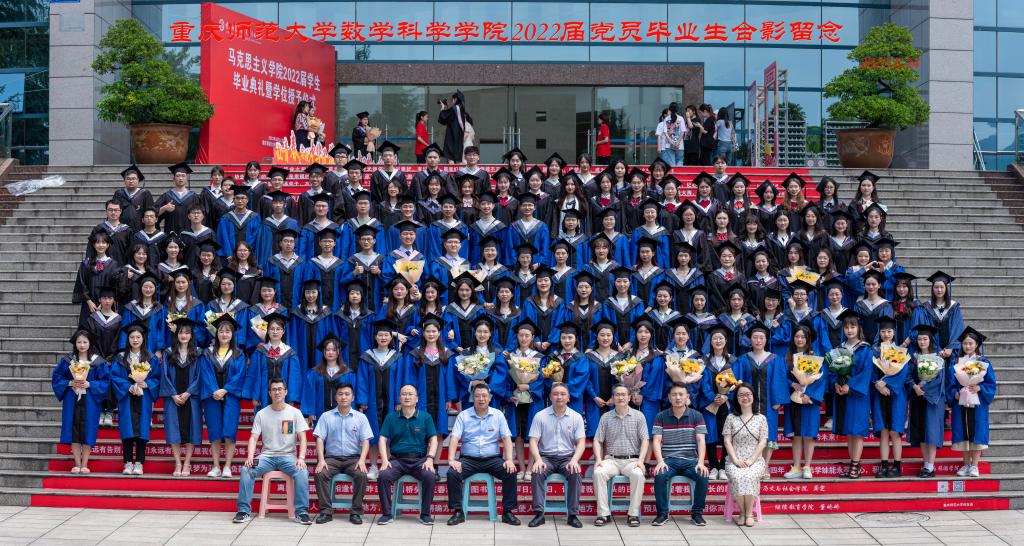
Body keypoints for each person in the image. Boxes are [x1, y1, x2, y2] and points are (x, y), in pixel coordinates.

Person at [232, 379, 312, 524]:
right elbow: (253, 438)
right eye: (274, 389)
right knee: (246, 469)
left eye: (280, 389)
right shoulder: (262, 414)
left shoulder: (295, 413)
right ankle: (243, 511)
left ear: (286, 392)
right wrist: (250, 456)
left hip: (288, 456)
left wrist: (301, 458)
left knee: (302, 471)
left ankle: (302, 512)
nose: (277, 392)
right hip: (267, 457)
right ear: (269, 393)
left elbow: (303, 437)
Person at [445, 383, 521, 526]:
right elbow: (454, 438)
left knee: (510, 472)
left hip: (492, 459)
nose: (481, 399)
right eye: (477, 396)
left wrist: (509, 459)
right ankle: (458, 512)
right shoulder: (463, 415)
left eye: (484, 396)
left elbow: (506, 438)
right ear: (472, 398)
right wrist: (451, 459)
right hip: (469, 459)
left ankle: (507, 512)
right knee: (452, 473)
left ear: (490, 398)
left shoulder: (498, 415)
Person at [377, 383, 438, 526]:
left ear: (417, 398)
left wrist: (430, 459)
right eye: (404, 394)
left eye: (410, 394)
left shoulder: (425, 417)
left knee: (430, 476)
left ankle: (425, 514)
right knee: (383, 475)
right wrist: (385, 460)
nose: (407, 397)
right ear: (399, 398)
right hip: (397, 460)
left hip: (419, 460)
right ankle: (387, 514)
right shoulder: (391, 417)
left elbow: (434, 439)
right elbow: (382, 439)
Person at [313, 382, 372, 524]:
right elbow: (320, 439)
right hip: (331, 458)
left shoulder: (360, 417)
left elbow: (365, 441)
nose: (343, 397)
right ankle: (326, 512)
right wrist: (321, 460)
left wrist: (362, 460)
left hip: (353, 458)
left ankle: (356, 512)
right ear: (336, 397)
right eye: (340, 394)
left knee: (361, 474)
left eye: (347, 394)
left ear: (353, 397)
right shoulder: (326, 416)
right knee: (320, 474)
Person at [527, 382, 586, 528]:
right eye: (555, 394)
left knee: (575, 472)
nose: (559, 397)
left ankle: (572, 515)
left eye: (563, 394)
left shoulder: (576, 417)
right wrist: (538, 460)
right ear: (550, 397)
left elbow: (581, 442)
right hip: (546, 457)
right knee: (537, 471)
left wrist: (574, 460)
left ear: (568, 397)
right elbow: (533, 441)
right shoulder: (540, 416)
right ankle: (539, 514)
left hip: (567, 458)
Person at [591, 384, 650, 527]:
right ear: (613, 398)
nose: (620, 397)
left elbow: (645, 440)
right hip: (611, 460)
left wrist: (641, 461)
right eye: (617, 394)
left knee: (638, 474)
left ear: (629, 397)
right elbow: (597, 440)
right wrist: (598, 459)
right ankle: (604, 514)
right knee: (598, 472)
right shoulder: (606, 417)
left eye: (624, 394)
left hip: (632, 460)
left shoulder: (639, 416)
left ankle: (633, 514)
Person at [651, 382, 709, 526]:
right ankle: (662, 513)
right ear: (669, 397)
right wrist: (660, 461)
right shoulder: (661, 416)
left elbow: (701, 440)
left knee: (702, 475)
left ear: (687, 396)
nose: (677, 397)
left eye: (681, 394)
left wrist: (701, 462)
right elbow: (656, 441)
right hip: (669, 460)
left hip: (690, 460)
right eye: (674, 394)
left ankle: (697, 513)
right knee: (660, 475)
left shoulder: (696, 415)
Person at [53, 330, 110, 474]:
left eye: (85, 342)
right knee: (73, 429)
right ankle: (77, 464)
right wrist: (70, 382)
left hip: (90, 399)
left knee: (88, 429)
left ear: (90, 343)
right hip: (72, 399)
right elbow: (57, 378)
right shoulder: (68, 361)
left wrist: (90, 384)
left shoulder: (98, 362)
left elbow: (105, 382)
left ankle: (85, 464)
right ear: (75, 343)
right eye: (79, 342)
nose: (82, 345)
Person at [110, 321, 161, 476]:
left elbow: (157, 378)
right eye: (132, 337)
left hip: (144, 398)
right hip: (127, 397)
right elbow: (114, 376)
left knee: (142, 429)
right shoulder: (121, 358)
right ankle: (127, 463)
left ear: (143, 338)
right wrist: (128, 386)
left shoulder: (151, 358)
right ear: (128, 339)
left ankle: (139, 463)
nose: (135, 340)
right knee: (126, 428)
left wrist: (147, 384)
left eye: (138, 337)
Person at [199, 315, 247, 478]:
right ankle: (216, 466)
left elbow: (240, 375)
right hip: (212, 397)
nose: (224, 334)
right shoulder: (207, 353)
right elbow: (205, 372)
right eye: (221, 331)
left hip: (231, 397)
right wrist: (215, 390)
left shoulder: (239, 354)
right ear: (216, 333)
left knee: (229, 430)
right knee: (214, 431)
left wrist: (225, 390)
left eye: (227, 331)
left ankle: (227, 466)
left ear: (232, 334)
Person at [949, 327, 996, 478]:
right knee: (962, 432)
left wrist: (980, 387)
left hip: (978, 403)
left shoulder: (983, 362)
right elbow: (950, 384)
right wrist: (955, 394)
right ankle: (966, 465)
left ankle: (974, 465)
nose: (967, 346)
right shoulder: (956, 362)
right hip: (961, 403)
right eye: (965, 343)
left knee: (977, 432)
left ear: (976, 344)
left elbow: (991, 384)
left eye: (970, 343)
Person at [722, 383, 768, 527]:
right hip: (734, 460)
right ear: (736, 398)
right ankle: (742, 513)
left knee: (749, 476)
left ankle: (748, 514)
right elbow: (727, 441)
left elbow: (763, 441)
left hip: (755, 461)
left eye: (748, 394)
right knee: (737, 476)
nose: (745, 398)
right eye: (741, 395)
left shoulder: (761, 418)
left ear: (753, 396)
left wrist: (751, 460)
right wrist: (735, 460)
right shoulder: (731, 418)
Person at [438, 90, 472, 164]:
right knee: (458, 156)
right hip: (459, 134)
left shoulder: (455, 108)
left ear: (455, 99)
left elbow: (444, 118)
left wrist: (443, 108)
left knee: (450, 155)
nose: (452, 101)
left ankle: (451, 167)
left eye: (452, 99)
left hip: (452, 133)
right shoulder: (462, 109)